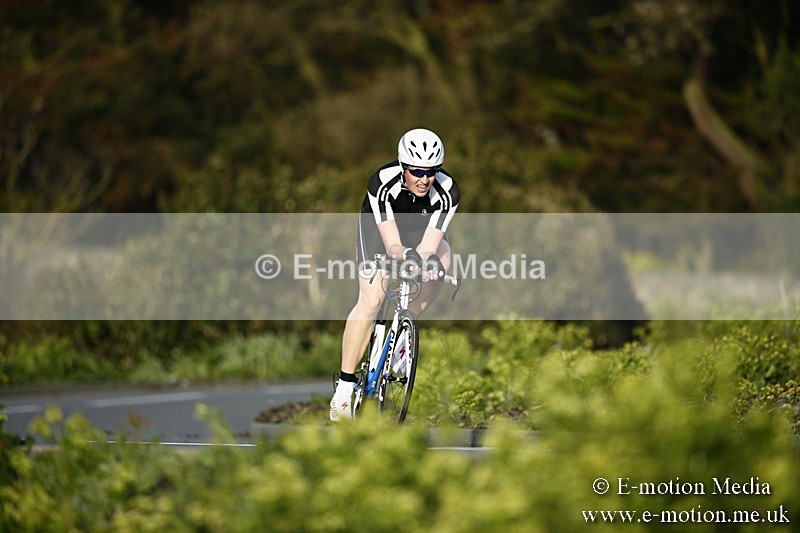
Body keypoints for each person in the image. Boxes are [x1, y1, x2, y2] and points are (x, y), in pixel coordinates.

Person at [330, 128, 461, 422]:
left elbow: (429, 246)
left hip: (420, 231)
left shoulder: (448, 190)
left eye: (432, 172)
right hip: (381, 231)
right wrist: (404, 255)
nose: (425, 179)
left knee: (440, 265)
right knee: (372, 299)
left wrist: (426, 263)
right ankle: (345, 386)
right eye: (417, 171)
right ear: (403, 167)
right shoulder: (381, 182)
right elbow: (392, 246)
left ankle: (403, 328)